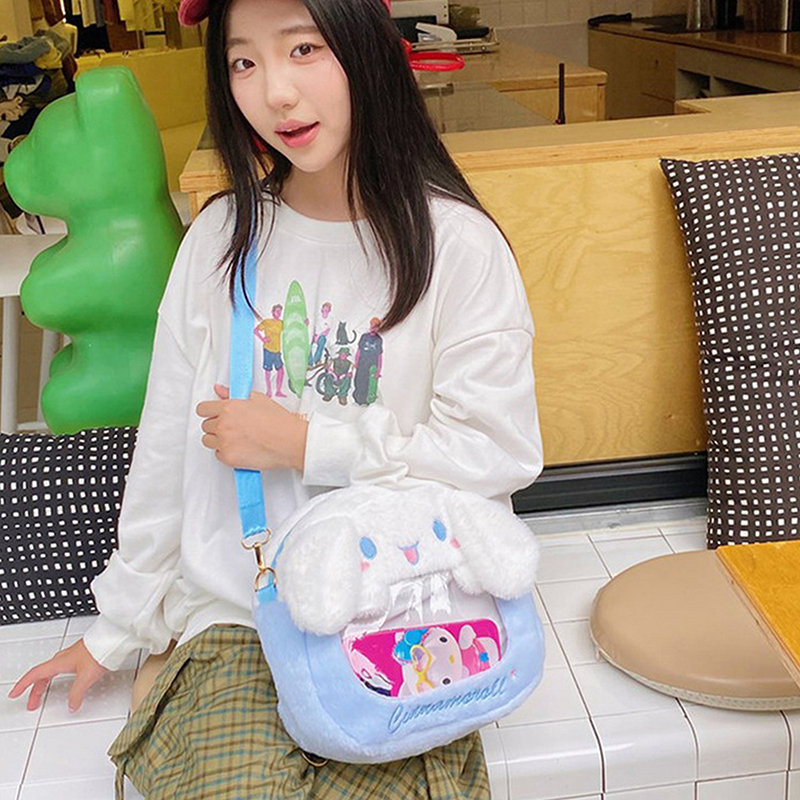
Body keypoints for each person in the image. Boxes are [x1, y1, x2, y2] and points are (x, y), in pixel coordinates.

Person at [9, 0, 543, 796]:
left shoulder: (458, 247)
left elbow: (495, 454)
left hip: (405, 609)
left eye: (304, 49)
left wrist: (306, 444)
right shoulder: (222, 241)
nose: (276, 93)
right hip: (241, 619)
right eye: (244, 61)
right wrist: (117, 629)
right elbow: (166, 447)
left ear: (365, 48)